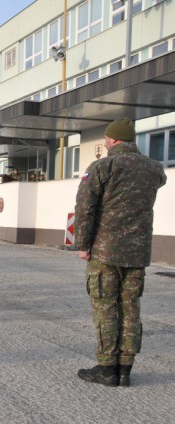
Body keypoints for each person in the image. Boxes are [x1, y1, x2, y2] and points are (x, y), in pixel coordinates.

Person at [74, 117, 167, 387]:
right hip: (137, 252)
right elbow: (158, 182)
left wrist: (83, 244)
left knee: (106, 307)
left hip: (106, 250)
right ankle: (125, 368)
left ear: (113, 139)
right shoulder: (154, 168)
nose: (105, 141)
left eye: (106, 137)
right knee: (130, 308)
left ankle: (106, 368)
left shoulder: (104, 166)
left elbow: (85, 207)